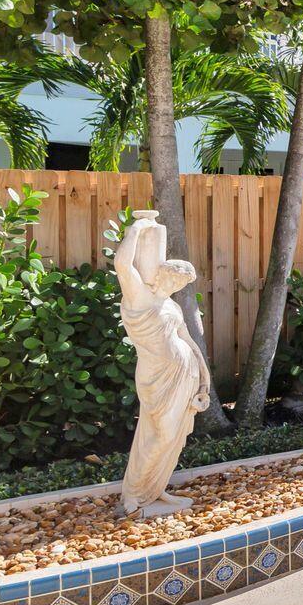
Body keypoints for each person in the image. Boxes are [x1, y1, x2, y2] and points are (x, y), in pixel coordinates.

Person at [113, 210, 210, 517]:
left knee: (172, 436)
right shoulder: (139, 296)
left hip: (185, 374)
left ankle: (155, 489)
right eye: (177, 278)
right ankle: (134, 494)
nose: (179, 284)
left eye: (182, 282)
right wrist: (137, 229)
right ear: (164, 273)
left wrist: (205, 379)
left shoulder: (170, 305)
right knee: (159, 434)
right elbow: (122, 265)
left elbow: (190, 342)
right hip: (157, 375)